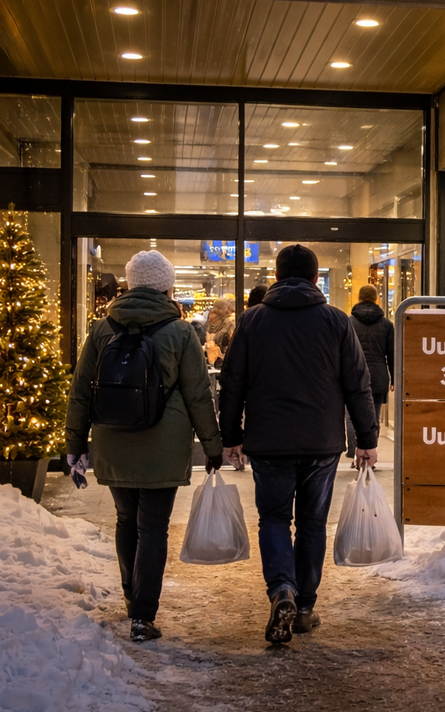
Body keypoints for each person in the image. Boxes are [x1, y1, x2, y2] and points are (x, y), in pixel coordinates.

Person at [218, 244, 378, 644]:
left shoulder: (252, 321)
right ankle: (304, 607)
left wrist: (230, 437)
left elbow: (231, 383)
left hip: (268, 442)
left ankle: (281, 590)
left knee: (273, 518)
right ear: (314, 279)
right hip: (321, 442)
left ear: (275, 276)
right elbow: (358, 384)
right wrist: (367, 439)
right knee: (311, 523)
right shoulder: (336, 322)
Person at [65, 250, 222, 643]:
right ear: (167, 286)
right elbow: (198, 394)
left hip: (112, 439)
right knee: (153, 526)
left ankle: (131, 596)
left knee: (125, 520)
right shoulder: (181, 332)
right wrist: (213, 445)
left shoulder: (103, 329)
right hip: (162, 444)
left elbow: (81, 391)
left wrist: (74, 444)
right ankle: (142, 615)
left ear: (131, 284)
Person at [346, 284, 395, 457]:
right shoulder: (386, 324)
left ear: (359, 298)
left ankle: (353, 451)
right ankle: (369, 454)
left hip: (352, 374)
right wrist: (394, 378)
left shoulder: (349, 322)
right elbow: (392, 353)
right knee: (373, 417)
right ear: (376, 299)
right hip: (378, 376)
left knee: (352, 415)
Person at [205, 299, 235, 366]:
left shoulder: (229, 322)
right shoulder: (210, 323)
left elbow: (231, 340)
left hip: (224, 359)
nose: (211, 312)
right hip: (216, 358)